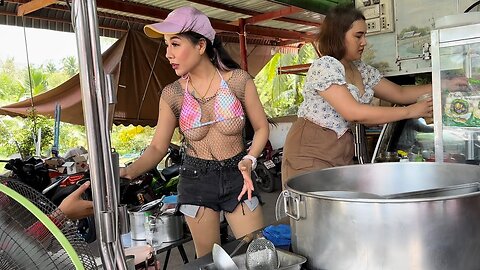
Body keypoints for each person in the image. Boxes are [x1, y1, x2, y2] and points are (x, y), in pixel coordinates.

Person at [120, 6, 269, 257]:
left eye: (175, 44)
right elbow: (158, 147)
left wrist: (250, 159)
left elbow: (261, 128)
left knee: (257, 253)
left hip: (238, 177)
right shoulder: (172, 94)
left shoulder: (238, 81)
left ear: (201, 46)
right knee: (208, 260)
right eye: (167, 45)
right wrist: (127, 172)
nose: (168, 54)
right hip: (196, 180)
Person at [281, 5, 437, 186]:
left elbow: (400, 93)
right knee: (315, 211)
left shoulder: (361, 69)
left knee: (338, 210)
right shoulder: (325, 66)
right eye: (358, 36)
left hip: (341, 150)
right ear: (338, 36)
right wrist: (410, 111)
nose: (364, 42)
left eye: (365, 35)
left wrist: (444, 83)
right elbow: (354, 112)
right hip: (309, 150)